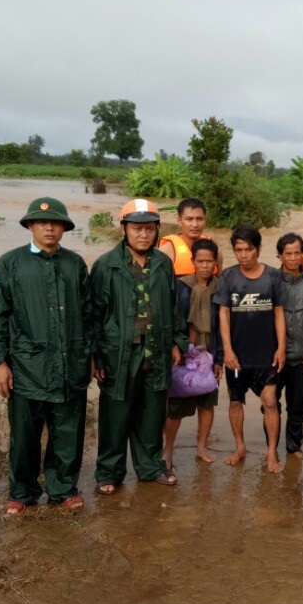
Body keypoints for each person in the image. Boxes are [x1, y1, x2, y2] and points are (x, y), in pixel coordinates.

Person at [0, 197, 92, 515]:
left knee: (68, 431)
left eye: (56, 223)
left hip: (71, 363)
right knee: (25, 434)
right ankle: (22, 491)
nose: (49, 227)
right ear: (30, 225)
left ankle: (63, 488)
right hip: (27, 367)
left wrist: (92, 355)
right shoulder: (9, 264)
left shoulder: (74, 264)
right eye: (42, 222)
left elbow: (89, 315)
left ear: (65, 228)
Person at [92, 199, 187, 492]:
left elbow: (173, 308)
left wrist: (177, 342)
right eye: (136, 228)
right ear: (124, 229)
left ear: (157, 230)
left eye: (149, 228)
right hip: (118, 354)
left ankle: (150, 467)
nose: (143, 234)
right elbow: (94, 314)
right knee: (115, 414)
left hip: (156, 352)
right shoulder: (106, 265)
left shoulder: (163, 263)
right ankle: (109, 472)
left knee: (152, 412)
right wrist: (95, 355)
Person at [214, 226, 287, 474]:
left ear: (259, 249)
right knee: (235, 401)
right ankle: (240, 447)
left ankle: (271, 452)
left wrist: (281, 348)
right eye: (239, 250)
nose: (243, 255)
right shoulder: (228, 277)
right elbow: (223, 313)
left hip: (266, 353)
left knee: (270, 401)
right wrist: (227, 350)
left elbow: (279, 313)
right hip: (237, 355)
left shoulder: (274, 276)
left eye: (248, 249)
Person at [163, 238, 223, 467]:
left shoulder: (221, 288)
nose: (205, 266)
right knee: (176, 406)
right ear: (193, 261)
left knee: (207, 403)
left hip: (209, 353)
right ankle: (168, 450)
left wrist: (219, 358)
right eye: (201, 261)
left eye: (210, 261)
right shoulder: (181, 287)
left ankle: (201, 446)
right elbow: (171, 320)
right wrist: (174, 347)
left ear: (216, 262)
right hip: (184, 353)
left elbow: (223, 326)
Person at [275, 233, 303, 458]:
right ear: (279, 255)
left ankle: (294, 446)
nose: (293, 258)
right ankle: (271, 445)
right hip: (275, 356)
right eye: (288, 254)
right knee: (270, 404)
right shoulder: (271, 280)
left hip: (302, 354)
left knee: (297, 406)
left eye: (297, 253)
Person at [158, 197, 223, 275]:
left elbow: (220, 283)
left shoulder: (215, 250)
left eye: (199, 219)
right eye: (189, 219)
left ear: (205, 220)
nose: (195, 225)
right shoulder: (166, 252)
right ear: (179, 221)